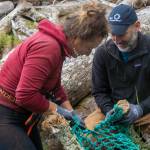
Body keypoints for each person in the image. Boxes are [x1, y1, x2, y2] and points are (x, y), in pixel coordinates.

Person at [0, 2, 108, 150]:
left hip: (20, 114)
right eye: (89, 48)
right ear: (77, 38)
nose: (88, 53)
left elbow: (55, 87)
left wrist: (72, 113)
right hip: (5, 113)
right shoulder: (48, 47)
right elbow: (25, 95)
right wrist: (58, 110)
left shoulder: (58, 46)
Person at [91, 4, 150, 141]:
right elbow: (99, 91)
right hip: (114, 111)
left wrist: (140, 109)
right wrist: (109, 111)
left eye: (121, 34)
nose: (116, 40)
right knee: (90, 128)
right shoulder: (103, 53)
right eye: (112, 34)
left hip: (145, 110)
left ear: (137, 26)